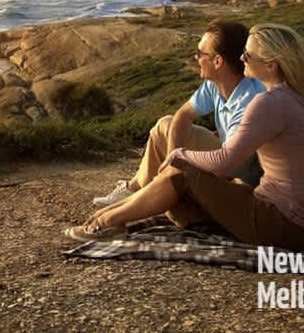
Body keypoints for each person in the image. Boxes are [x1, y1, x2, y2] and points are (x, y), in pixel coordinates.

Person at [67, 23, 304, 250]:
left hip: (284, 226)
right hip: (295, 222)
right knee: (178, 192)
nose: (242, 61)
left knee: (182, 173)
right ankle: (110, 217)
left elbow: (224, 161)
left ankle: (105, 223)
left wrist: (178, 154)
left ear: (272, 65)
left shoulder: (269, 101)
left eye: (248, 56)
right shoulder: (296, 96)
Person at [91, 19, 264, 229]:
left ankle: (149, 195)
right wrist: (173, 158)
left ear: (218, 62)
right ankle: (136, 188)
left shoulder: (249, 100)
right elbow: (182, 115)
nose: (196, 57)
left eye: (201, 53)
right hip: (227, 157)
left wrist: (177, 174)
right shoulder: (215, 84)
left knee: (176, 209)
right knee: (166, 124)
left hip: (242, 178)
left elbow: (229, 164)